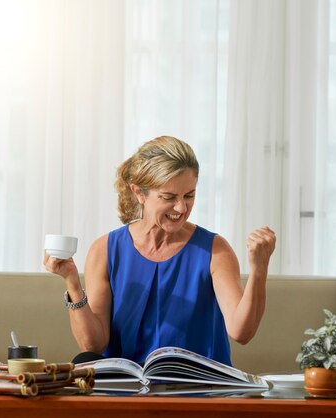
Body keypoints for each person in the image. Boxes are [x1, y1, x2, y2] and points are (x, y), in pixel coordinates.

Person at [44, 136, 276, 366]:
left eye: (189, 195)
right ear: (139, 193)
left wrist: (259, 268)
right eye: (169, 197)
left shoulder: (215, 250)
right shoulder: (104, 250)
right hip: (126, 392)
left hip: (200, 393)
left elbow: (241, 332)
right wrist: (72, 283)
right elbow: (93, 346)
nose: (181, 207)